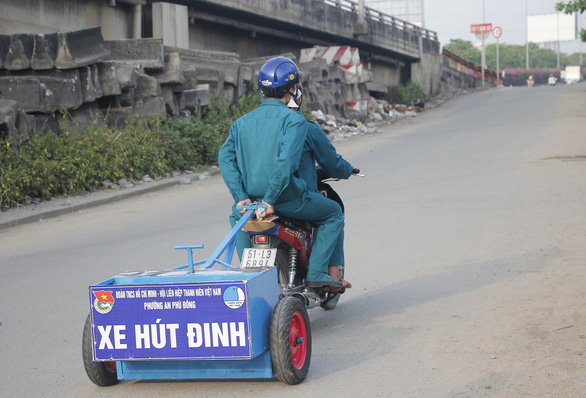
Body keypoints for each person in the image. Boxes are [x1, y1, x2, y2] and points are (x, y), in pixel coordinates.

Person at [218, 56, 343, 289]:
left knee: (238, 218)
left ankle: (249, 274)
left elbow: (224, 158)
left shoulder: (241, 123)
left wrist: (240, 196)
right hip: (288, 200)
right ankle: (317, 272)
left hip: (252, 203)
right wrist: (270, 200)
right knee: (334, 213)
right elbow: (285, 162)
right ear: (292, 89)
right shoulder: (294, 120)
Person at [287, 83, 354, 289]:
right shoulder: (305, 128)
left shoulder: (255, 128)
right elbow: (332, 163)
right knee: (333, 213)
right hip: (295, 198)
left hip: (257, 200)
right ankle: (330, 275)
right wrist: (348, 170)